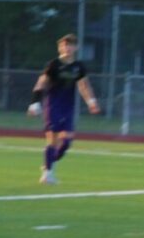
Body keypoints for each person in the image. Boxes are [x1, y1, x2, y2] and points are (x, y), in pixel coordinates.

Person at [28, 33, 100, 185]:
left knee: (66, 142)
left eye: (71, 45)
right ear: (59, 48)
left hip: (68, 107)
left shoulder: (78, 67)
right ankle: (48, 174)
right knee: (53, 140)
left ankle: (48, 164)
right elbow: (41, 83)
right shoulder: (53, 65)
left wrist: (91, 101)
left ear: (76, 47)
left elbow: (84, 85)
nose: (67, 48)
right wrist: (35, 102)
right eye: (64, 45)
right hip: (52, 106)